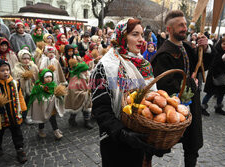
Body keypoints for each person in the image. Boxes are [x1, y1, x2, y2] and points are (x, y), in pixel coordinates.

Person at [90, 18, 168, 167]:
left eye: (142, 35)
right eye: (135, 34)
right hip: (115, 141)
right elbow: (101, 109)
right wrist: (122, 133)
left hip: (140, 136)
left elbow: (152, 99)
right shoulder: (105, 66)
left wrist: (156, 134)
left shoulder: (143, 64)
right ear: (122, 36)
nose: (141, 40)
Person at [151, 10, 214, 167]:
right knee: (156, 146)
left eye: (185, 24)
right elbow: (165, 85)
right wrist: (192, 85)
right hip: (172, 107)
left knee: (192, 146)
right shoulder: (163, 54)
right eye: (180, 25)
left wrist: (205, 49)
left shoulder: (186, 47)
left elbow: (201, 66)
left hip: (191, 105)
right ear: (169, 29)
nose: (185, 28)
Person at [0, 60, 27, 163]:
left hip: (14, 115)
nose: (6, 72)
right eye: (2, 70)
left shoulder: (15, 83)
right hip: (0, 117)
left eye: (7, 70)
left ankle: (20, 150)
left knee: (17, 133)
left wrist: (23, 110)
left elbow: (20, 97)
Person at [27, 69, 64, 139]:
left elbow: (56, 95)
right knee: (42, 118)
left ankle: (56, 130)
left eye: (50, 76)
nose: (49, 79)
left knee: (53, 118)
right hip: (42, 107)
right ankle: (41, 130)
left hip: (51, 106)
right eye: (47, 77)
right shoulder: (38, 86)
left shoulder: (54, 85)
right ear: (42, 78)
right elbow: (36, 98)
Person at [201, 37, 225, 116]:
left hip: (221, 77)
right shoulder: (216, 51)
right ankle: (202, 108)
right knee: (210, 93)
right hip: (213, 76)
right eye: (224, 44)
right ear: (220, 43)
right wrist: (222, 59)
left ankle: (218, 108)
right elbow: (212, 64)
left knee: (221, 93)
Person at [12, 49, 39, 122]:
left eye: (28, 58)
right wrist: (24, 78)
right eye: (24, 58)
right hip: (22, 90)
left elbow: (36, 77)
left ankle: (30, 115)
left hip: (31, 88)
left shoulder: (33, 66)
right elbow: (15, 79)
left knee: (30, 102)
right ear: (20, 58)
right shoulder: (16, 68)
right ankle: (23, 116)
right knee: (23, 103)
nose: (26, 60)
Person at [65, 61, 93, 129]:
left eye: (86, 70)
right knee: (75, 109)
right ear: (80, 72)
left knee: (87, 109)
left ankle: (87, 121)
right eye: (84, 71)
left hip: (87, 97)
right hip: (80, 97)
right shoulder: (75, 80)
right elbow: (73, 92)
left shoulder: (86, 77)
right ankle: (72, 119)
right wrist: (85, 94)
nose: (86, 72)